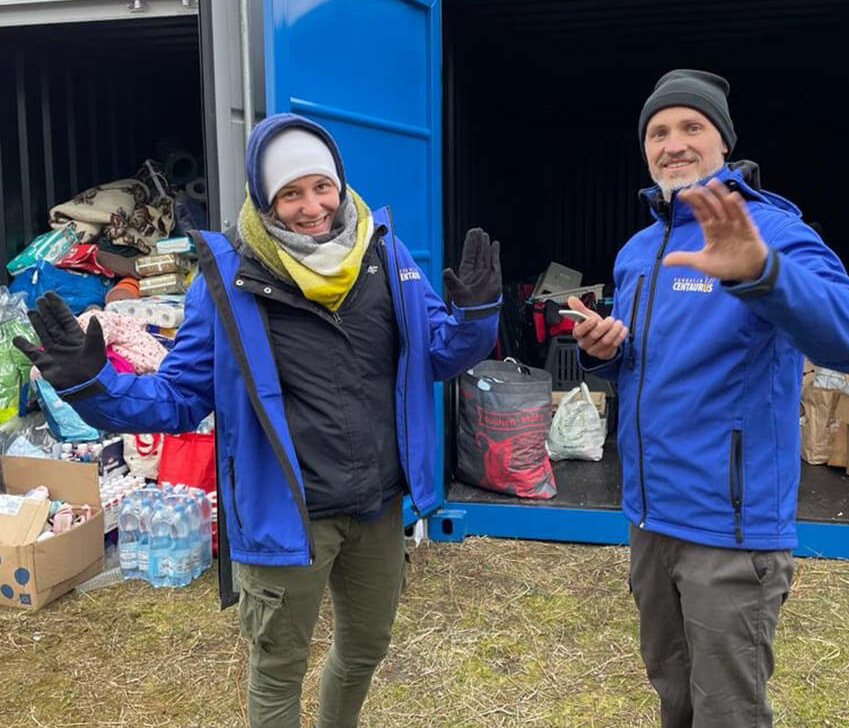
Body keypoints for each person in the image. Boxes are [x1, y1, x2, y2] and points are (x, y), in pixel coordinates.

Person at [15, 112, 502, 728]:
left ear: (339, 182)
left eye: (320, 186)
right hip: (285, 515)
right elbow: (180, 399)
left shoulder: (384, 253)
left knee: (365, 649)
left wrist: (478, 317)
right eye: (290, 192)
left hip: (377, 505)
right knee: (278, 668)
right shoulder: (228, 280)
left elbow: (437, 352)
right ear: (265, 198)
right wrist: (94, 382)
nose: (311, 206)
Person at [567, 69, 849, 728]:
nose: (672, 142)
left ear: (723, 142)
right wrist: (606, 350)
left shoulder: (767, 230)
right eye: (658, 131)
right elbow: (651, 360)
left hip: (731, 531)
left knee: (728, 715)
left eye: (691, 127)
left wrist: (762, 272)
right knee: (674, 699)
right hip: (650, 521)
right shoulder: (638, 249)